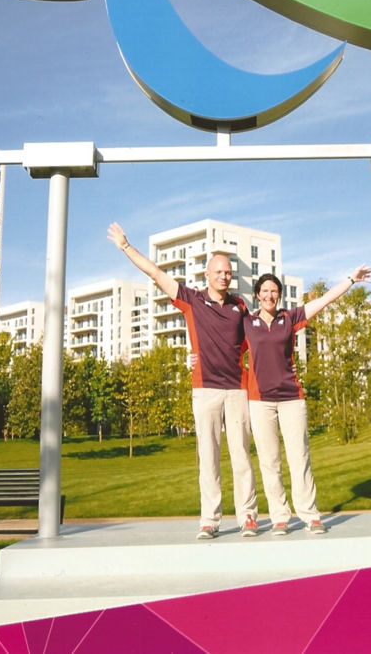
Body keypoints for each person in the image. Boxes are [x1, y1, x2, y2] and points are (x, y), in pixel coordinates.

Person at [107, 222, 258, 541]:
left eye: (228, 272)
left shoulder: (239, 306)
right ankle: (209, 520)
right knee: (209, 456)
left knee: (241, 455)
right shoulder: (190, 299)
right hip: (205, 390)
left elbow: (253, 341)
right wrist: (125, 246)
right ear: (207, 274)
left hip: (236, 390)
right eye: (219, 271)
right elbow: (156, 274)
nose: (224, 276)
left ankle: (248, 516)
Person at [245, 265, 371, 535]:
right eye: (265, 291)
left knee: (299, 457)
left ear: (279, 296)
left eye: (274, 291)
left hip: (291, 398)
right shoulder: (247, 323)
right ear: (257, 295)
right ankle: (280, 516)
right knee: (270, 461)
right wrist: (193, 356)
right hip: (259, 401)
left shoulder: (290, 319)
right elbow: (224, 348)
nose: (270, 295)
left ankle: (309, 514)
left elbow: (325, 300)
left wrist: (351, 279)